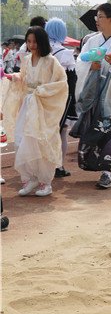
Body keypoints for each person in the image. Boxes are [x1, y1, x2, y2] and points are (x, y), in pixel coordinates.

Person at [74, 3, 111, 189]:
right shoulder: (92, 41)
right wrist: (90, 66)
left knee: (110, 132)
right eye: (97, 17)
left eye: (100, 16)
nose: (97, 20)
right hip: (94, 93)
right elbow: (80, 61)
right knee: (95, 130)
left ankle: (106, 172)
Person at [1, 26, 68, 197]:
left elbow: (61, 83)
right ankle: (30, 178)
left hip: (43, 107)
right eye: (29, 41)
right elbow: (24, 79)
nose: (32, 45)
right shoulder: (26, 59)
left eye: (35, 41)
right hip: (28, 106)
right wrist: (14, 78)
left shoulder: (51, 61)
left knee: (41, 142)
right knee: (22, 140)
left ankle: (45, 182)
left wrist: (41, 91)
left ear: (42, 42)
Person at [44, 17, 77, 178]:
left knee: (45, 132)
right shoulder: (65, 53)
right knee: (62, 132)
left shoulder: (40, 50)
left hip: (43, 97)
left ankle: (45, 165)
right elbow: (72, 80)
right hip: (61, 98)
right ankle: (59, 166)